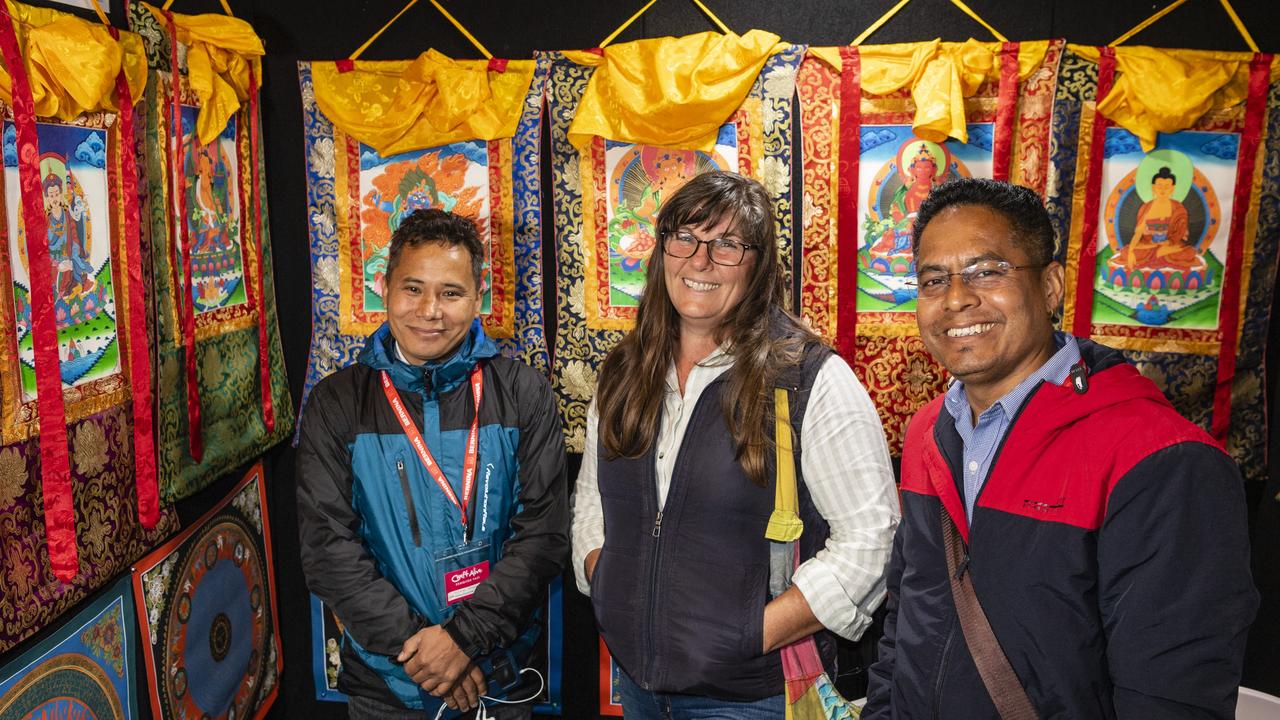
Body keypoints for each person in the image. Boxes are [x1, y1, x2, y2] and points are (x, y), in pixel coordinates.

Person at [863, 178, 1258, 719]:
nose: (956, 299)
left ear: (1051, 287)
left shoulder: (1159, 460)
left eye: (987, 271)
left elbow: (1172, 694)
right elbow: (908, 621)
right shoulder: (930, 431)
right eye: (934, 280)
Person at [571, 171, 899, 718]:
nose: (700, 261)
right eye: (685, 238)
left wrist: (751, 632)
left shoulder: (809, 377)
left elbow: (874, 537)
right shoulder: (623, 373)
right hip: (639, 687)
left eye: (727, 244)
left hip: (753, 696)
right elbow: (591, 505)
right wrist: (606, 583)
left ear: (758, 264)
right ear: (662, 252)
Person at [297, 208, 568, 719]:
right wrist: (428, 654)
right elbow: (327, 548)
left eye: (450, 292)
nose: (429, 311)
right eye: (413, 288)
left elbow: (543, 536)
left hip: (496, 675)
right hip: (387, 685)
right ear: (383, 287)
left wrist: (464, 642)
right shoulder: (337, 403)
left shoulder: (522, 392)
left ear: (478, 294)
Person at [1122, 165, 1199, 271]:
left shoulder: (1178, 208)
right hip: (1149, 245)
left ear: (1172, 188)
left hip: (1170, 246)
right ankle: (1158, 256)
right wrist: (1130, 251)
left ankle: (1158, 255)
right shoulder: (1146, 207)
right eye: (1159, 186)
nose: (1163, 190)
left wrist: (1167, 243)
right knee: (1125, 251)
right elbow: (1139, 232)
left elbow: (1179, 232)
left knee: (1189, 252)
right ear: (1153, 187)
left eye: (1167, 186)